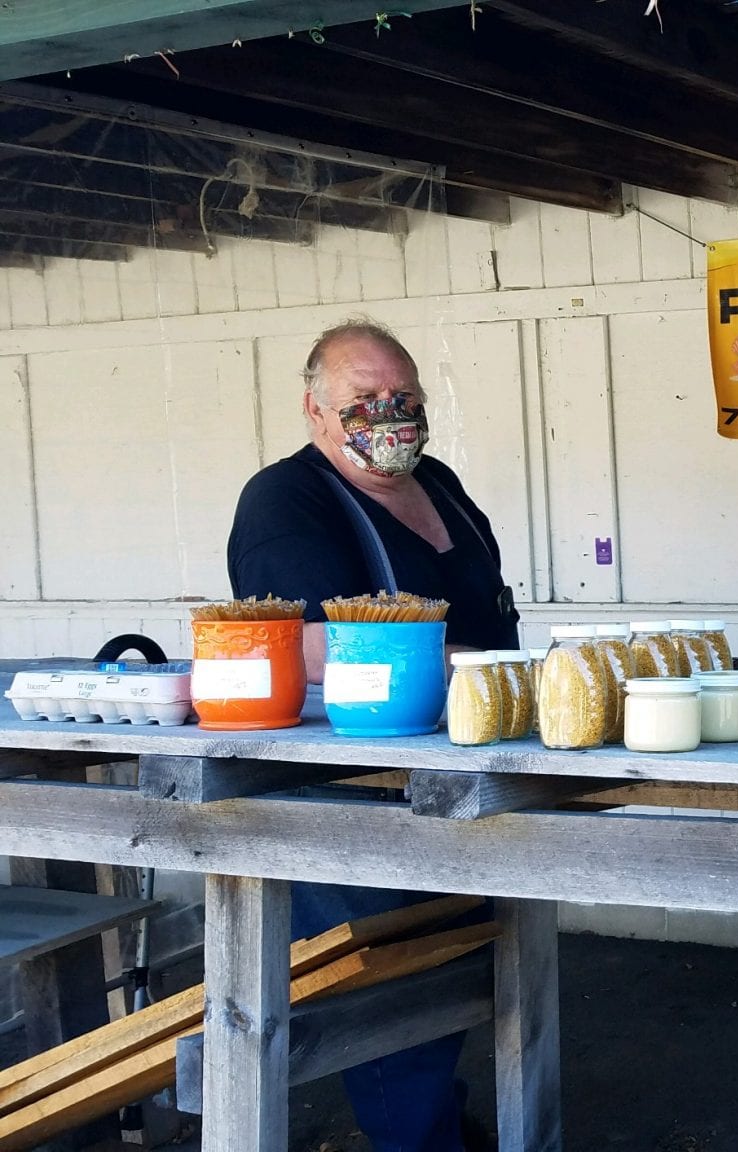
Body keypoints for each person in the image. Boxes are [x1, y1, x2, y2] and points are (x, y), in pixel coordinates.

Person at [227, 318, 516, 1152]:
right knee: (389, 987)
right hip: (355, 792)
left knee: (462, 964)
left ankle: (439, 1129)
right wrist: (490, 670)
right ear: (316, 411)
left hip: (460, 772)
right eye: (364, 399)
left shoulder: (443, 485)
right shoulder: (288, 500)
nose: (389, 414)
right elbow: (311, 644)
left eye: (405, 397)